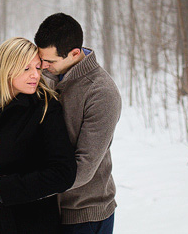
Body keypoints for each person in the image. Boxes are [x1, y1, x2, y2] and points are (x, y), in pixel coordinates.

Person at [0, 37, 77, 234]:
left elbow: (63, 173)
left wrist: (4, 188)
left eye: (38, 68)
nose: (35, 76)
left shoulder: (46, 108)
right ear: (6, 69)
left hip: (33, 222)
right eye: (26, 69)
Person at [35, 13, 122, 234]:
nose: (43, 66)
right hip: (48, 210)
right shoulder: (46, 77)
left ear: (75, 53)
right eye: (41, 58)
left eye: (50, 61)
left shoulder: (102, 92)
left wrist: (26, 188)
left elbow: (84, 167)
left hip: (85, 215)